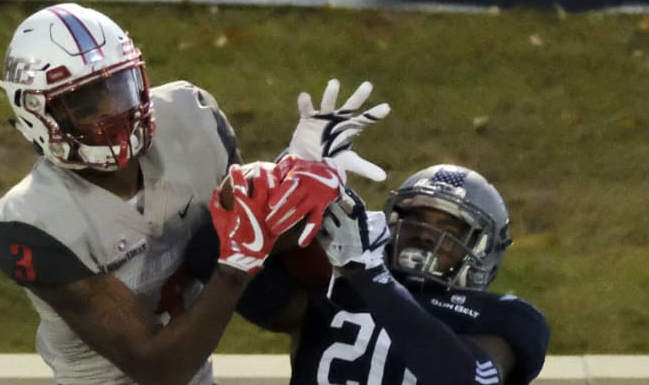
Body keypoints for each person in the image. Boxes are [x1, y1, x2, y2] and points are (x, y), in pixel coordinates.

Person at [0, 2, 350, 385]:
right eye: (85, 103)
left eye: (117, 86)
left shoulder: (190, 118)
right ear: (35, 114)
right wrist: (234, 267)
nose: (112, 110)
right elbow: (158, 368)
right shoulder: (32, 222)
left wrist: (302, 181)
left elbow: (251, 235)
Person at [232, 81, 549, 384]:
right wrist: (290, 178)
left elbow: (470, 379)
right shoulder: (336, 286)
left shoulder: (506, 316)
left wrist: (370, 278)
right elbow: (219, 255)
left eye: (449, 228)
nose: (425, 235)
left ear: (483, 249)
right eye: (416, 219)